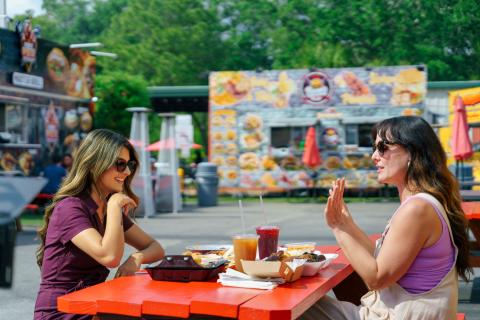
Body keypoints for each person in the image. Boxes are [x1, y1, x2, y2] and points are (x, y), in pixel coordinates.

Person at [301, 116, 472, 320]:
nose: (374, 156)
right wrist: (347, 224)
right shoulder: (421, 203)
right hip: (392, 313)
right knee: (300, 304)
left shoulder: (417, 208)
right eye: (374, 148)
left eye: (383, 147)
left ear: (413, 151)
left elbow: (377, 278)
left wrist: (338, 227)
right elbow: (381, 260)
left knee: (294, 306)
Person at [34, 129, 165, 319]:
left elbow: (156, 248)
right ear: (95, 163)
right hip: (63, 311)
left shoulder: (107, 207)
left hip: (95, 304)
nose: (127, 172)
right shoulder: (70, 207)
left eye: (130, 164)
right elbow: (109, 257)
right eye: (120, 164)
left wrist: (135, 259)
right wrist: (114, 206)